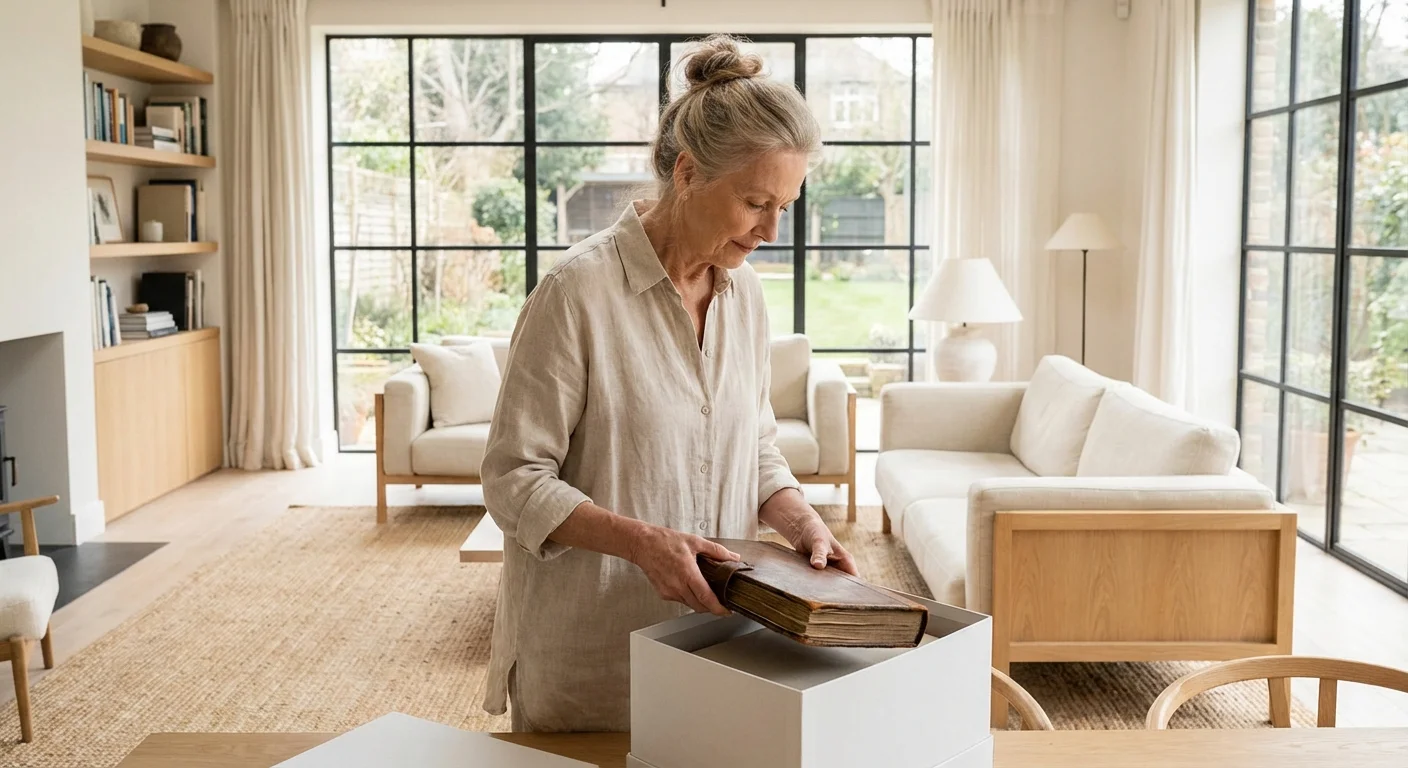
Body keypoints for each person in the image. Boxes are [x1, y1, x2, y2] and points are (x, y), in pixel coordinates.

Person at [479, 34, 857, 733]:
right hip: (593, 655)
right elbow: (513, 480)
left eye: (787, 205)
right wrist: (645, 542)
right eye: (755, 203)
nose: (774, 230)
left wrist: (802, 521)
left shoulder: (745, 298)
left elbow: (757, 446)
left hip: (718, 645)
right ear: (687, 174)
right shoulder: (576, 293)